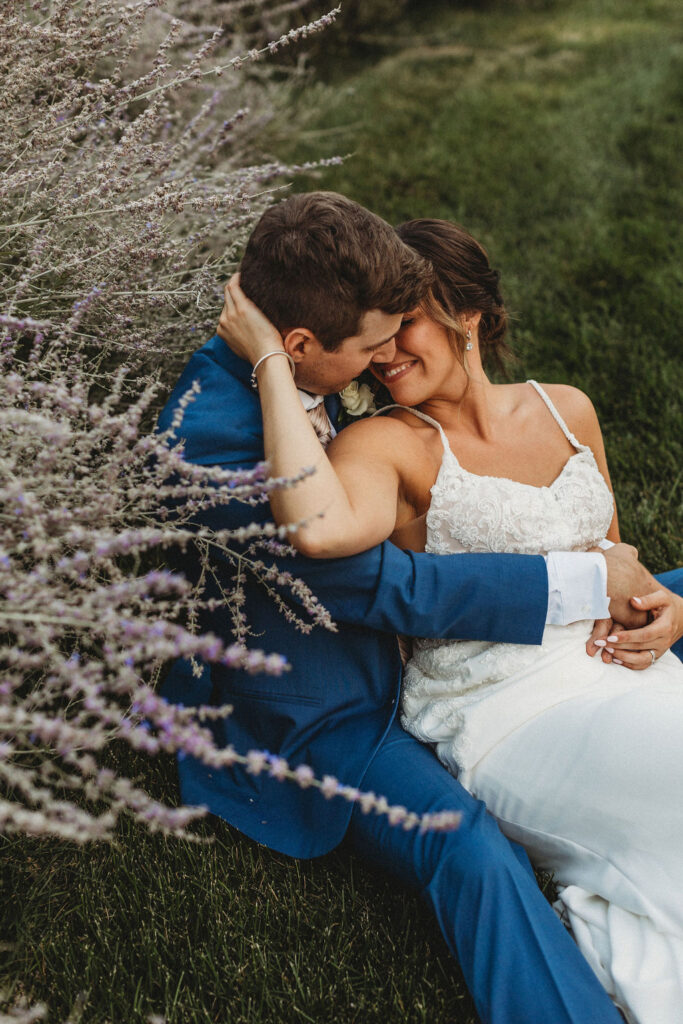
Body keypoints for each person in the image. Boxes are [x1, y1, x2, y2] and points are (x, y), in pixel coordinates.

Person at [158, 191, 659, 1024]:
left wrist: (632, 585)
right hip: (336, 711)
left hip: (505, 654)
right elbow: (386, 590)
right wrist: (580, 579)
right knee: (467, 850)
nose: (386, 357)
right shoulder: (215, 443)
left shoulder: (334, 378)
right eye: (371, 344)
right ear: (296, 347)